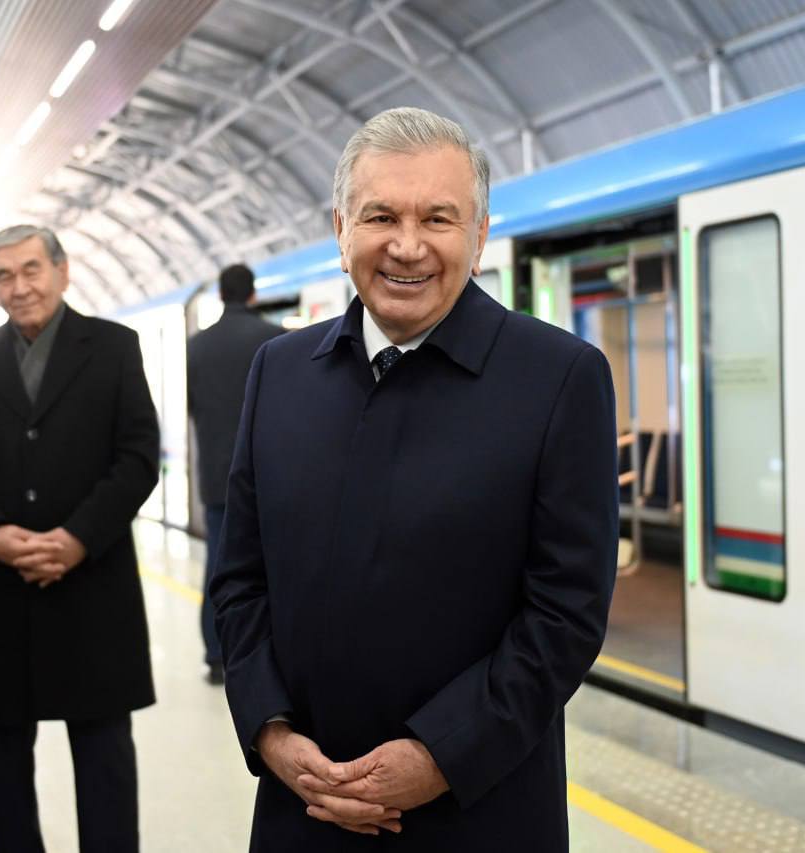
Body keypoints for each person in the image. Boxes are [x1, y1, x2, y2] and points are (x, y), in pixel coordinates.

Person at [210, 107, 618, 852]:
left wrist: (440, 756)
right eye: (380, 216)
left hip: (480, 813)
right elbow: (240, 578)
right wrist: (270, 731)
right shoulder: (280, 373)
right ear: (341, 231)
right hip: (303, 812)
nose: (407, 245)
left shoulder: (559, 378)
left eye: (438, 218)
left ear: (480, 235)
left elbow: (567, 613)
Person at [0, 224, 159, 853]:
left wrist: (78, 537)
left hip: (93, 582)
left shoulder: (113, 348)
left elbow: (138, 455)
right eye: (3, 276)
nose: (19, 286)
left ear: (62, 271)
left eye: (31, 269)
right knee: (4, 757)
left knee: (104, 752)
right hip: (1, 587)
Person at [186, 263, 283, 685]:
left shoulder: (196, 347)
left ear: (220, 295)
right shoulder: (276, 340)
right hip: (270, 477)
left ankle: (216, 655)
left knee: (218, 567)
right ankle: (266, 653)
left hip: (216, 477)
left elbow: (192, 408)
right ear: (253, 295)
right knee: (274, 567)